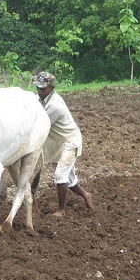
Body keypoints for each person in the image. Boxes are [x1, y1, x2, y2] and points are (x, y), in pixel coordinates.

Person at [33, 71, 94, 217]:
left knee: (60, 176)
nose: (39, 91)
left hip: (69, 142)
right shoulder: (39, 98)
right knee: (69, 178)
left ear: (51, 88)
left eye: (43, 89)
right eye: (38, 88)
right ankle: (86, 195)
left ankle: (61, 210)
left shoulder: (54, 106)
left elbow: (40, 126)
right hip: (57, 143)